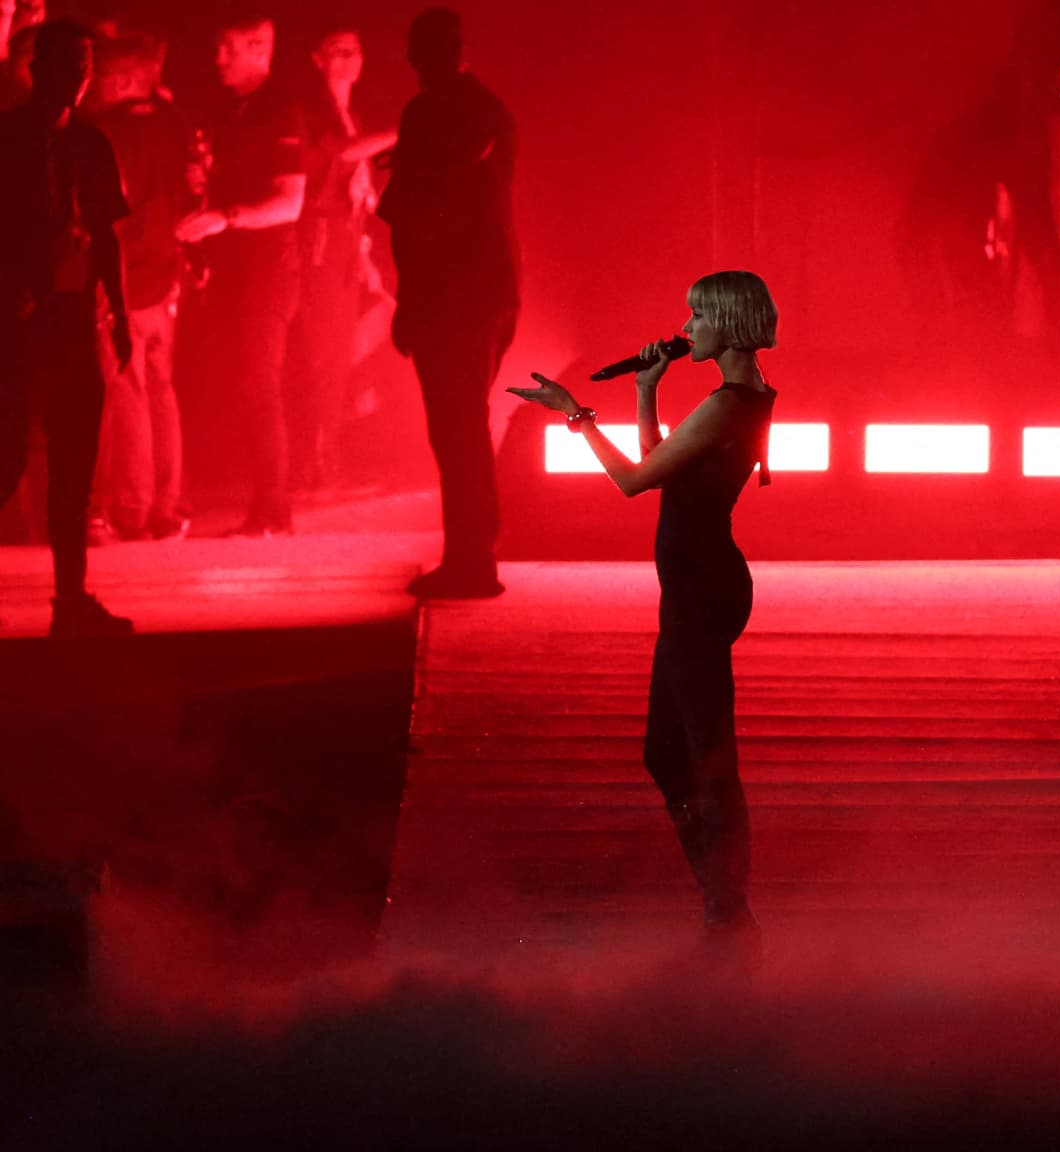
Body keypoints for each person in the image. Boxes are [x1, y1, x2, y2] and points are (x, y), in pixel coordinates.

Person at [510, 271, 779, 948]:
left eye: (695, 316)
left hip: (702, 587)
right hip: (698, 582)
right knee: (669, 752)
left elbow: (632, 482)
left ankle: (728, 913)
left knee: (704, 755)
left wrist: (577, 416)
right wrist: (645, 391)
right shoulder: (736, 398)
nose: (684, 328)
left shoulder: (729, 403)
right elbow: (662, 464)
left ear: (726, 321)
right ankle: (723, 904)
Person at [378, 7, 518, 598]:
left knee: (454, 425)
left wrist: (408, 300)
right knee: (465, 422)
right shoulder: (488, 110)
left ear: (416, 56)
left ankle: (471, 556)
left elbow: (408, 216)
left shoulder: (430, 113)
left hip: (449, 294)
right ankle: (473, 551)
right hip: (488, 288)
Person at [0, 19, 133, 636]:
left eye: (86, 63)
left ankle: (70, 599)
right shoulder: (8, 142)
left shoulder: (92, 144)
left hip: (74, 319)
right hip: (18, 323)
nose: (81, 75)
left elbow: (107, 235)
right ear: (38, 69)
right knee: (6, 461)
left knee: (75, 466)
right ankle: (71, 600)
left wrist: (120, 314)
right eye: (70, 62)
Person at [175, 14, 307, 536]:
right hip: (235, 270)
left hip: (267, 270)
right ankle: (267, 506)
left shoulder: (280, 110)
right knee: (245, 386)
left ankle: (273, 509)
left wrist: (224, 217)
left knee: (260, 385)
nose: (218, 60)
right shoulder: (233, 111)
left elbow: (290, 203)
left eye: (229, 48)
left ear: (259, 47)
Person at [88, 33, 194, 542]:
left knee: (126, 389)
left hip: (124, 278)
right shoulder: (176, 125)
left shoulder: (107, 134)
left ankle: (132, 508)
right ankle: (167, 508)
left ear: (125, 79)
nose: (95, 86)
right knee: (162, 391)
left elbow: (108, 212)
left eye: (103, 77)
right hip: (165, 278)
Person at [287, 23, 395, 495]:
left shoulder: (351, 112)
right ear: (317, 58)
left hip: (349, 244)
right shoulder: (312, 110)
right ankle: (316, 464)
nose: (350, 59)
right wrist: (400, 130)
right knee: (323, 357)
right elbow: (343, 156)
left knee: (348, 350)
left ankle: (329, 455)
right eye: (338, 51)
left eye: (356, 50)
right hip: (321, 244)